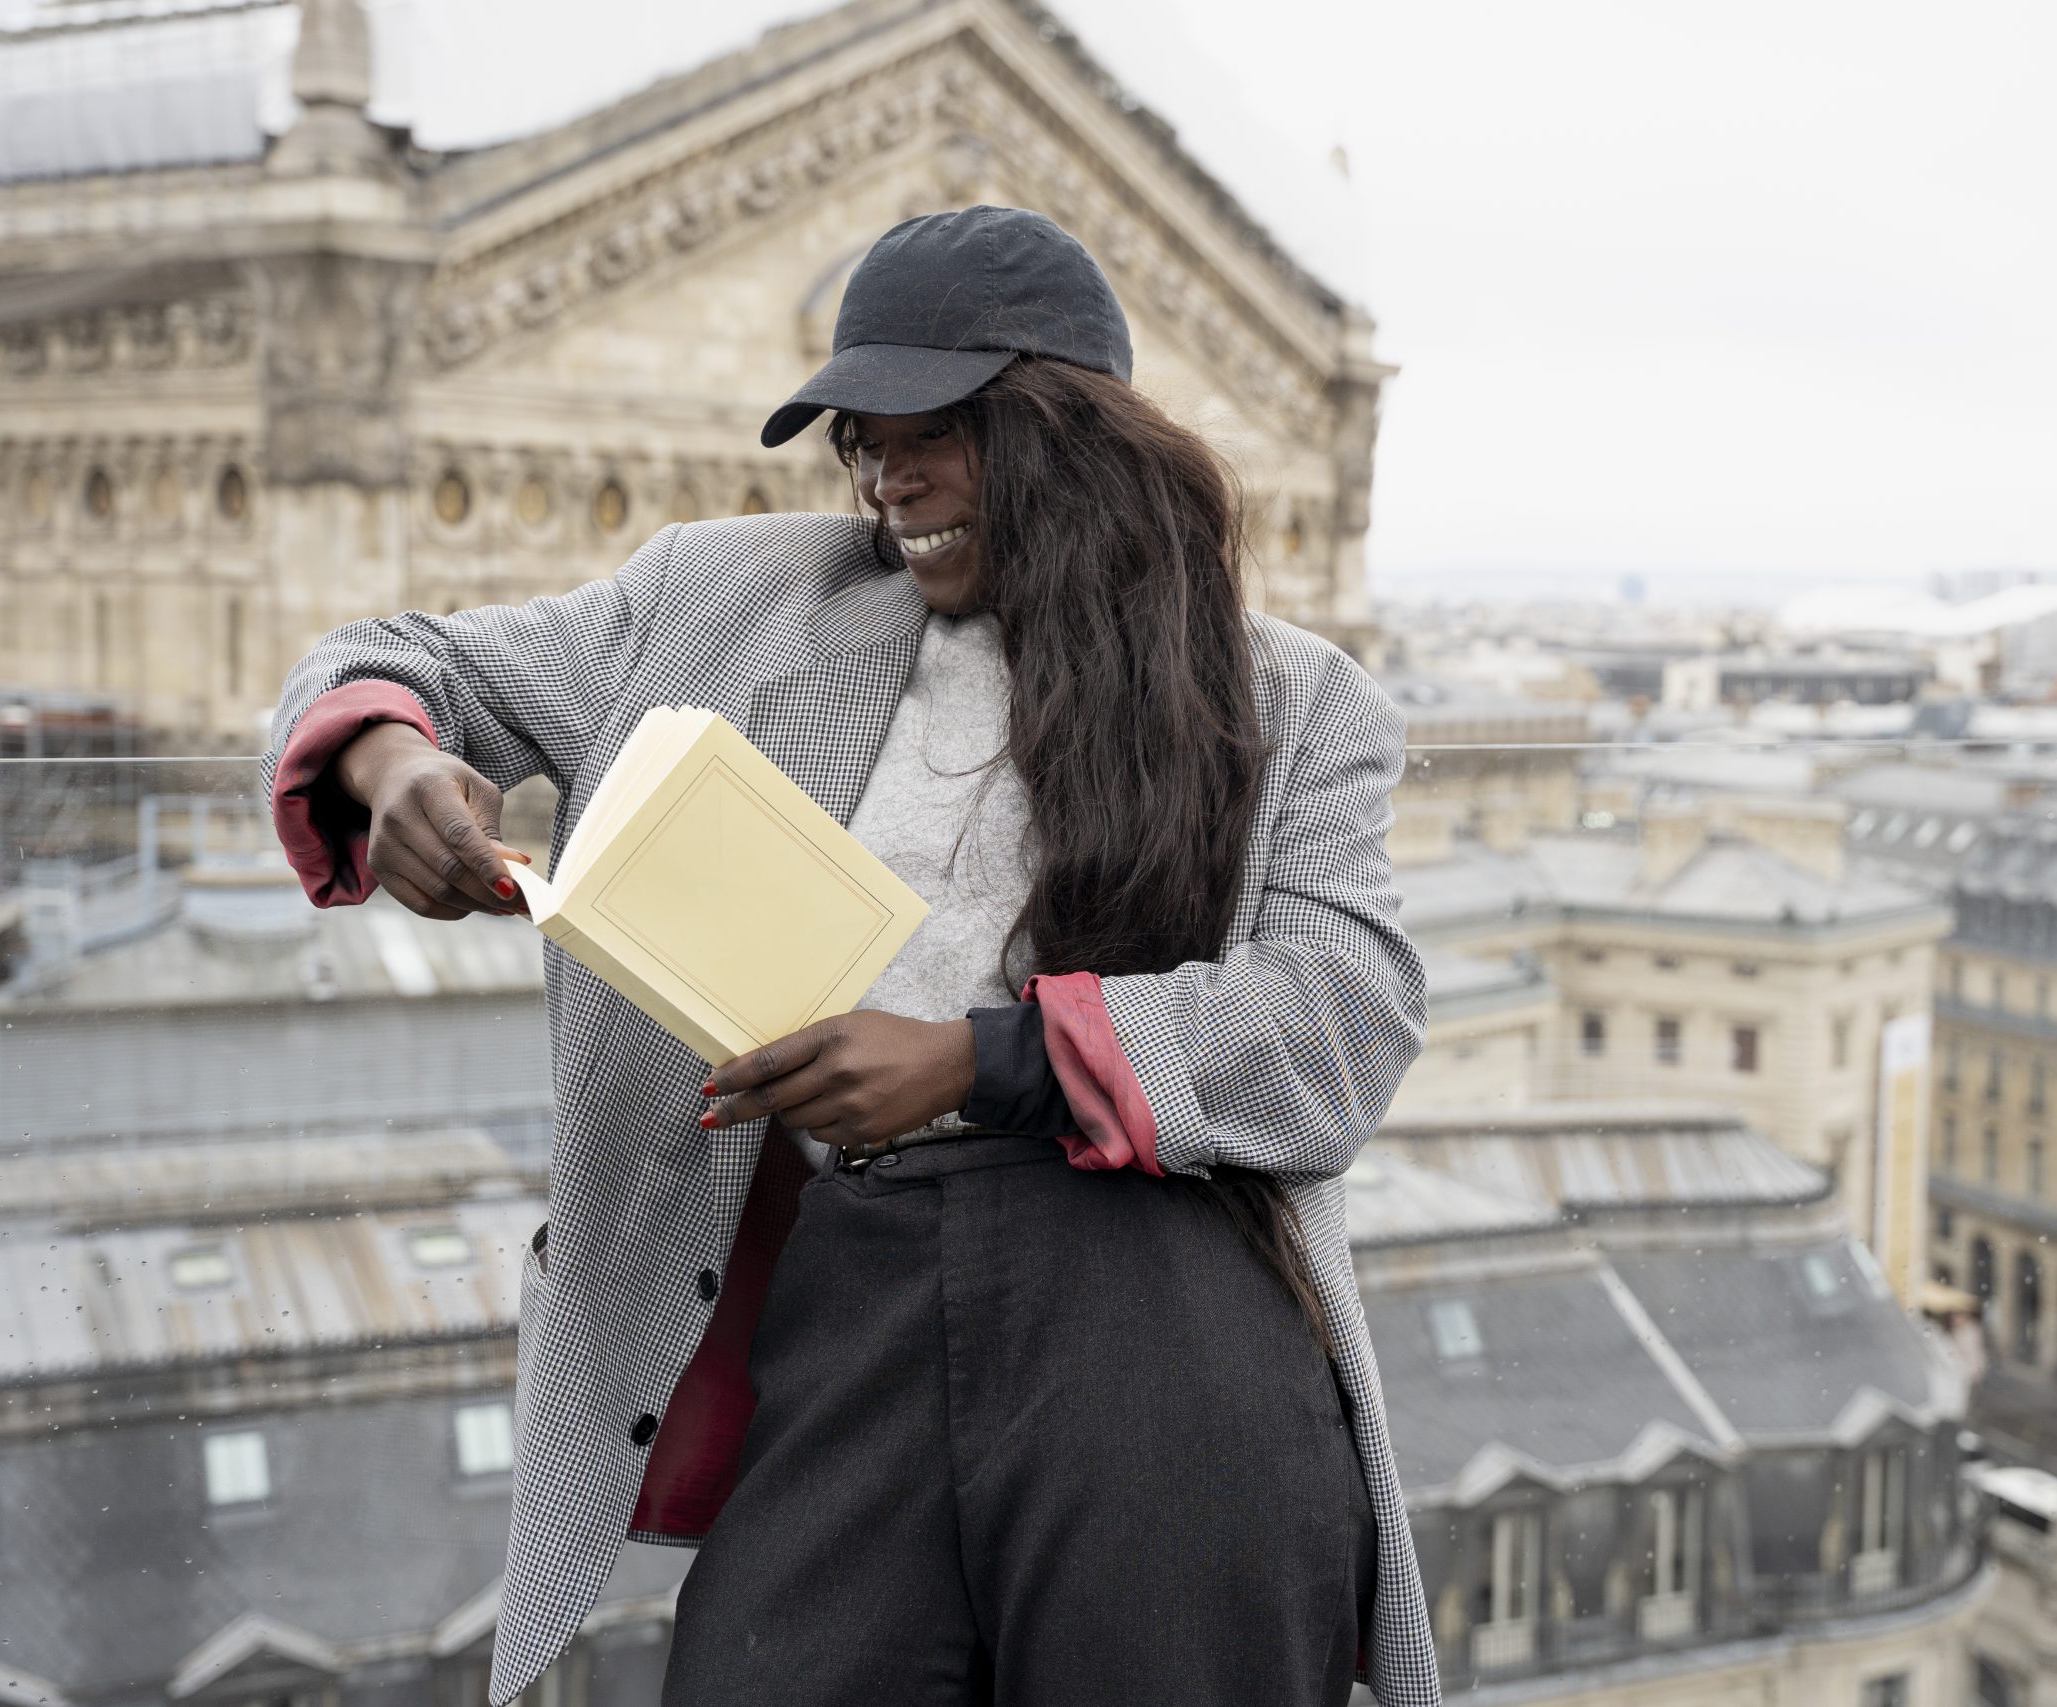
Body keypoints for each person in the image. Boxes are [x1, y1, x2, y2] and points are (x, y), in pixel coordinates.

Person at [261, 206, 1438, 1707]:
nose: (890, 479)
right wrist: (392, 767)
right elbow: (389, 655)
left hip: (1159, 1309)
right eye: (861, 442)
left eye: (935, 432)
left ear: (1068, 434)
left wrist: (981, 1057)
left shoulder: (1291, 698)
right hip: (844, 1290)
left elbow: (1345, 1021)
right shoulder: (720, 600)